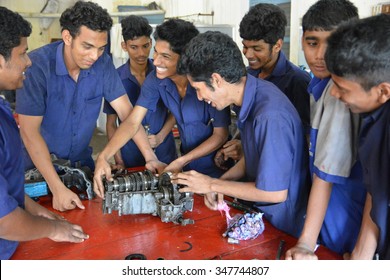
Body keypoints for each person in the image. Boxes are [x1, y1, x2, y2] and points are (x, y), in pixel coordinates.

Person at [16, 1, 162, 212]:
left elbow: (129, 115)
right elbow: (30, 133)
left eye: (101, 48)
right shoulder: (36, 67)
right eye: (87, 46)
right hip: (38, 170)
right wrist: (57, 187)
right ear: (67, 37)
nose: (94, 56)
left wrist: (150, 157)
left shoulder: (102, 64)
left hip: (81, 165)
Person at [172, 31, 310, 238]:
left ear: (216, 80)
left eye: (198, 89)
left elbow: (275, 192)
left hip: (284, 226)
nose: (199, 97)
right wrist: (221, 184)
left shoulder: (269, 116)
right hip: (264, 214)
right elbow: (254, 159)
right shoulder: (251, 96)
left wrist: (211, 183)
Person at [93, 19, 231, 199]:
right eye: (156, 52)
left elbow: (220, 135)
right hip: (186, 172)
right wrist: (104, 156)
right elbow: (133, 121)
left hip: (219, 172)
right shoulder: (155, 80)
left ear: (184, 59)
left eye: (165, 56)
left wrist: (180, 160)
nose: (155, 60)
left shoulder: (208, 83)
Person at [0, 7, 88, 260]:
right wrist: (53, 229)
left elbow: (6, 183)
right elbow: (4, 222)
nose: (28, 61)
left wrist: (35, 209)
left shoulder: (3, 109)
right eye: (23, 53)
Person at [285, 0, 366, 259]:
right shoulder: (318, 85)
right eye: (312, 42)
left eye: (332, 43)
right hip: (329, 222)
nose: (320, 54)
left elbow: (325, 177)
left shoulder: (339, 96)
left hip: (346, 227)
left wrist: (306, 243)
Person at [214, 3, 311, 169]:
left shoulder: (298, 82)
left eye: (257, 48)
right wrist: (235, 142)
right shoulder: (247, 75)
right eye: (245, 46)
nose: (248, 54)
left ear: (277, 46)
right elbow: (246, 122)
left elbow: (299, 142)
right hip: (248, 170)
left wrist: (246, 149)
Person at [325, 14, 390, 260]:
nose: (333, 93)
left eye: (342, 87)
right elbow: (377, 192)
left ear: (383, 91)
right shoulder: (373, 115)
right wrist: (360, 259)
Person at [103, 15, 177, 169]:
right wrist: (119, 160)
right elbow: (111, 124)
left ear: (151, 43)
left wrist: (161, 137)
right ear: (124, 46)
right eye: (134, 47)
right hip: (130, 154)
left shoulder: (164, 73)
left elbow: (176, 111)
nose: (141, 53)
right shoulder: (115, 78)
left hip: (164, 150)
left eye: (145, 46)